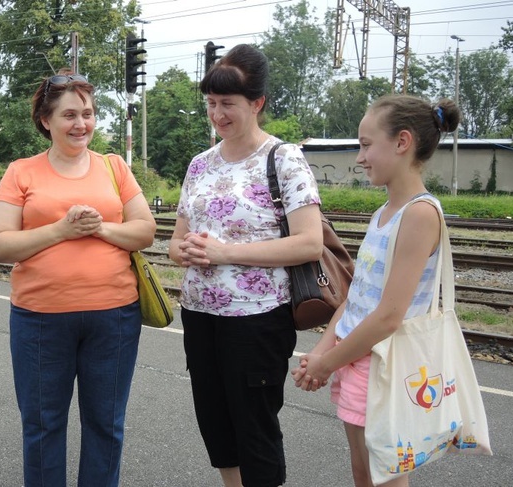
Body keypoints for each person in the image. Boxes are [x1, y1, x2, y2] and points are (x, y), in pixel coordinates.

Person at [0, 71, 156, 487]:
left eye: (88, 113)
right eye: (69, 115)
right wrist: (62, 230)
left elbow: (145, 231)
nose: (81, 124)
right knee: (42, 427)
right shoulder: (21, 172)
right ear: (45, 120)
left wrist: (98, 229)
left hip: (114, 318)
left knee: (106, 425)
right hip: (40, 319)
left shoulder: (114, 167)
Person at [168, 44, 324, 487]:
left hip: (256, 320)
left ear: (256, 104)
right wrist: (186, 251)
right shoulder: (199, 165)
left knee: (255, 426)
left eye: (227, 105)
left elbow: (309, 243)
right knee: (215, 422)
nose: (217, 114)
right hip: (200, 314)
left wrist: (224, 252)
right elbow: (175, 242)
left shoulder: (283, 158)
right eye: (211, 104)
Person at [291, 94, 461, 487]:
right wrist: (322, 351)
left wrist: (327, 363)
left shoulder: (419, 214)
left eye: (367, 144)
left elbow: (388, 316)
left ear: (402, 142)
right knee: (363, 472)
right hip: (356, 358)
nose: (359, 157)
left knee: (383, 478)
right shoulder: (384, 213)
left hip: (383, 365)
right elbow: (356, 297)